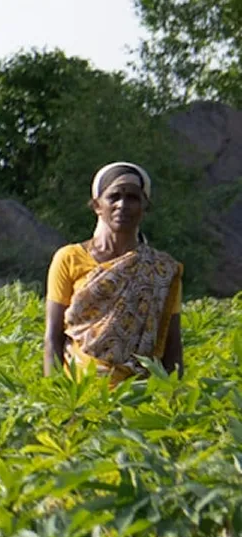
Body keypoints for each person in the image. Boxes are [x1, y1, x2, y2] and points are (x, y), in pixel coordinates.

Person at [44, 162, 183, 383]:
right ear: (97, 205)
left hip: (137, 398)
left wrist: (174, 399)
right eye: (114, 197)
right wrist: (55, 397)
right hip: (79, 392)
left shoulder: (163, 269)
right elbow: (53, 337)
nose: (123, 205)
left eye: (133, 198)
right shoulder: (69, 258)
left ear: (144, 206)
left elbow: (172, 346)